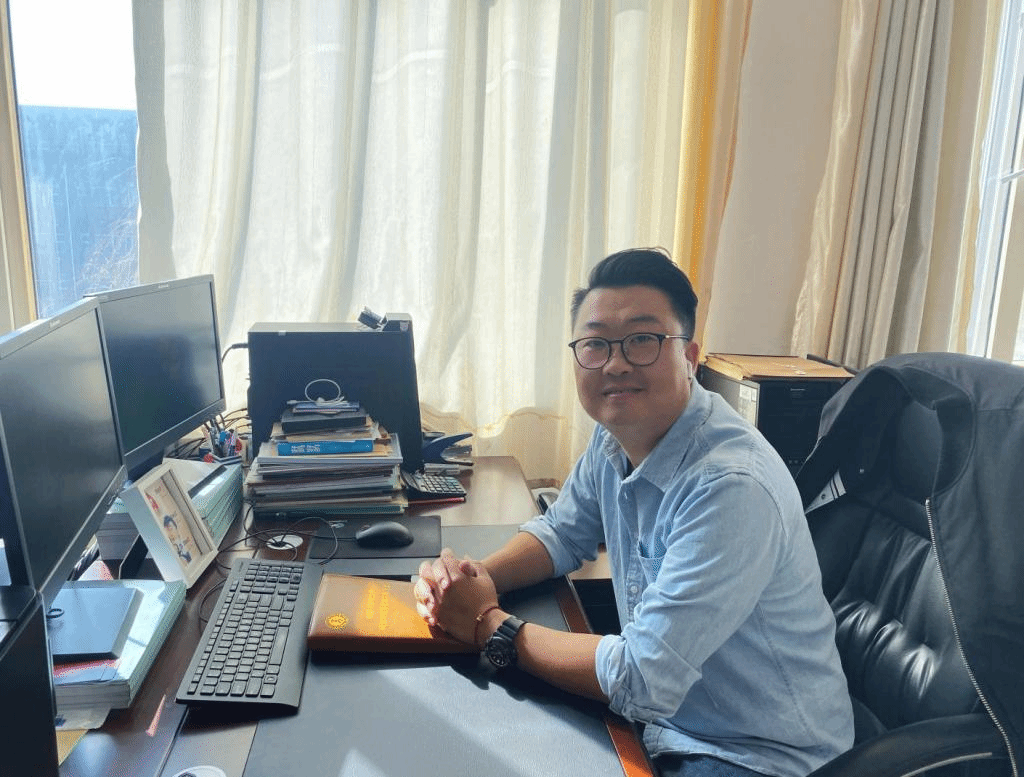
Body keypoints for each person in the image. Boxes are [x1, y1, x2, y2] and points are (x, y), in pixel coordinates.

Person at [414, 247, 854, 777]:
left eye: (643, 340)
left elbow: (641, 678)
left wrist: (487, 623)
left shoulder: (731, 487)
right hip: (662, 721)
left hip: (753, 753)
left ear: (690, 357)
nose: (616, 363)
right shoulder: (615, 437)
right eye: (595, 344)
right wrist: (472, 579)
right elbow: (561, 533)